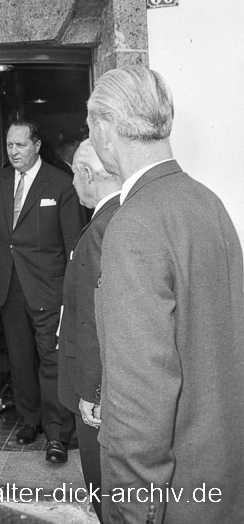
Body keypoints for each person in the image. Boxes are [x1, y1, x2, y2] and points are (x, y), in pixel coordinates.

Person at [87, 67, 244, 524]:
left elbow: (139, 402)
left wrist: (130, 513)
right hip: (222, 479)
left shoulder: (134, 224)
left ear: (105, 127)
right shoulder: (208, 202)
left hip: (177, 498)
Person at [0, 121, 82, 463]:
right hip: (9, 287)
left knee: (52, 361)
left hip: (49, 290)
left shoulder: (61, 183)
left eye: (20, 145)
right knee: (20, 359)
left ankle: (57, 434)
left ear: (36, 145)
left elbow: (74, 247)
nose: (13, 152)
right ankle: (30, 420)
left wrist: (71, 298)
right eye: (9, 145)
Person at [57, 140, 121, 522]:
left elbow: (95, 318)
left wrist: (91, 392)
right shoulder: (114, 215)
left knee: (103, 490)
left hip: (96, 393)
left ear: (87, 174)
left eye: (74, 173)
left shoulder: (101, 226)